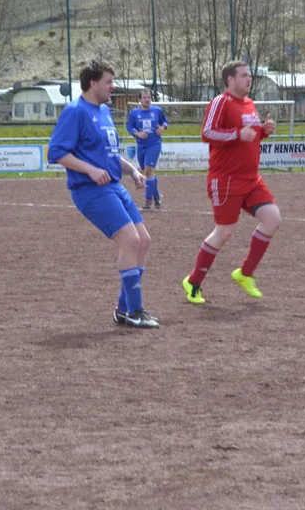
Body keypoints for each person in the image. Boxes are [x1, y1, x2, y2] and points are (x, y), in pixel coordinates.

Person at [48, 60, 160, 329]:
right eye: (108, 82)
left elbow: (110, 153)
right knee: (130, 240)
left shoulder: (104, 111)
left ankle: (124, 310)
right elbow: (56, 153)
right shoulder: (75, 112)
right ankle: (135, 311)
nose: (113, 87)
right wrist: (89, 170)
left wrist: (132, 170)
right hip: (91, 190)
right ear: (93, 83)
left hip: (113, 186)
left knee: (143, 240)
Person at [182, 60, 282, 305]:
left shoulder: (249, 104)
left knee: (273, 219)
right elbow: (207, 132)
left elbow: (251, 135)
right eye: (244, 75)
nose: (249, 79)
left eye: (249, 75)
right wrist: (238, 134)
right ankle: (193, 281)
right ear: (230, 80)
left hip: (251, 179)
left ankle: (245, 273)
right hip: (226, 180)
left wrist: (263, 131)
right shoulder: (221, 102)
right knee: (224, 231)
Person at [125, 89, 168, 210]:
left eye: (148, 97)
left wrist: (163, 128)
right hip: (141, 146)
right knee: (147, 173)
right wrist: (137, 133)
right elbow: (129, 126)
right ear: (139, 100)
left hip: (154, 144)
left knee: (148, 171)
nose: (147, 99)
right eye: (144, 97)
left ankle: (148, 201)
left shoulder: (157, 110)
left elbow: (165, 121)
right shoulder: (134, 113)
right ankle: (157, 197)